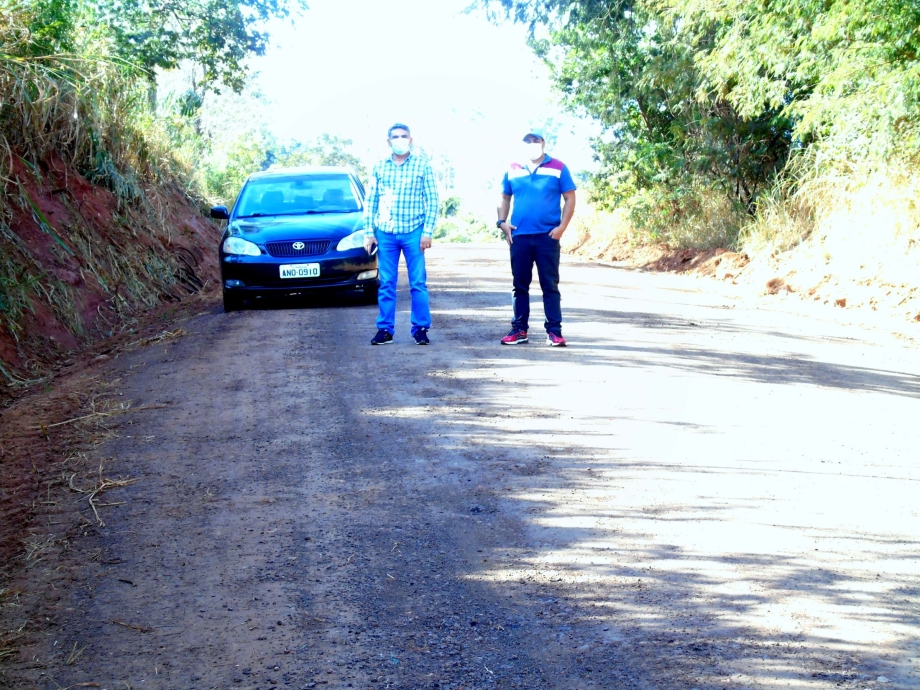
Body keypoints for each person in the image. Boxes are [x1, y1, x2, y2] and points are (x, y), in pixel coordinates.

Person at [496, 128, 577, 347]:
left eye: (536, 140)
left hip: (547, 237)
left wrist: (562, 227)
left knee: (549, 285)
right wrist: (502, 223)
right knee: (519, 285)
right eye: (528, 141)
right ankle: (519, 330)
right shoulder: (512, 169)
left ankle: (554, 332)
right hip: (519, 237)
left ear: (543, 143)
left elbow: (570, 198)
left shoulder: (558, 167)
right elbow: (504, 197)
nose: (532, 143)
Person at [363, 123, 440, 345]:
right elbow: (371, 201)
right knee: (386, 283)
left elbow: (433, 200)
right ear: (388, 142)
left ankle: (420, 329)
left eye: (403, 136)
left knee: (418, 283)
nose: (399, 140)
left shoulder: (422, 165)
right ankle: (385, 330)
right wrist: (369, 233)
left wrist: (427, 232)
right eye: (395, 137)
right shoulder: (379, 166)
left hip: (414, 232)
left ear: (411, 140)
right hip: (386, 233)